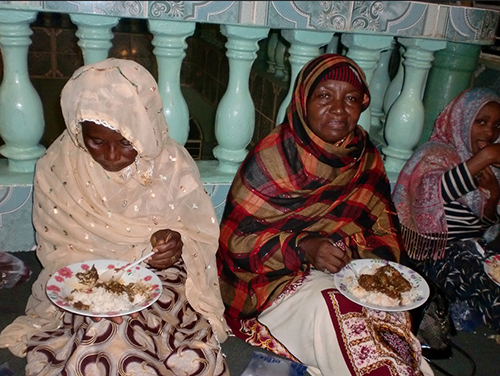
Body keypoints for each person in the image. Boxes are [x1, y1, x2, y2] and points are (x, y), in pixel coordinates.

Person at [0, 58, 229, 376]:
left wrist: (175, 243)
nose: (110, 156)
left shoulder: (171, 162)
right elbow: (57, 249)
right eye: (96, 142)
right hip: (84, 277)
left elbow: (197, 231)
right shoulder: (57, 166)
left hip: (159, 275)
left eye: (126, 142)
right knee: (104, 333)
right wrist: (104, 295)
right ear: (78, 131)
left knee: (157, 322)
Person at [217, 54, 433, 376]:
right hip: (273, 286)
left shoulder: (365, 156)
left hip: (351, 278)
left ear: (363, 104)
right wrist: (304, 247)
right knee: (335, 312)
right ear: (303, 100)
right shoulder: (273, 158)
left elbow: (383, 228)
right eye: (324, 96)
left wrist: (357, 260)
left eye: (350, 98)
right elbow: (238, 244)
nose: (338, 109)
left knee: (387, 321)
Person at [392, 87, 500, 334]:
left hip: (475, 250)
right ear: (461, 119)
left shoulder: (491, 170)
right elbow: (435, 194)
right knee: (485, 288)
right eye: (481, 122)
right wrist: (487, 156)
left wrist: (493, 195)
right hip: (437, 254)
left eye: (497, 126)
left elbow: (485, 227)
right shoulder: (434, 155)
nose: (489, 132)